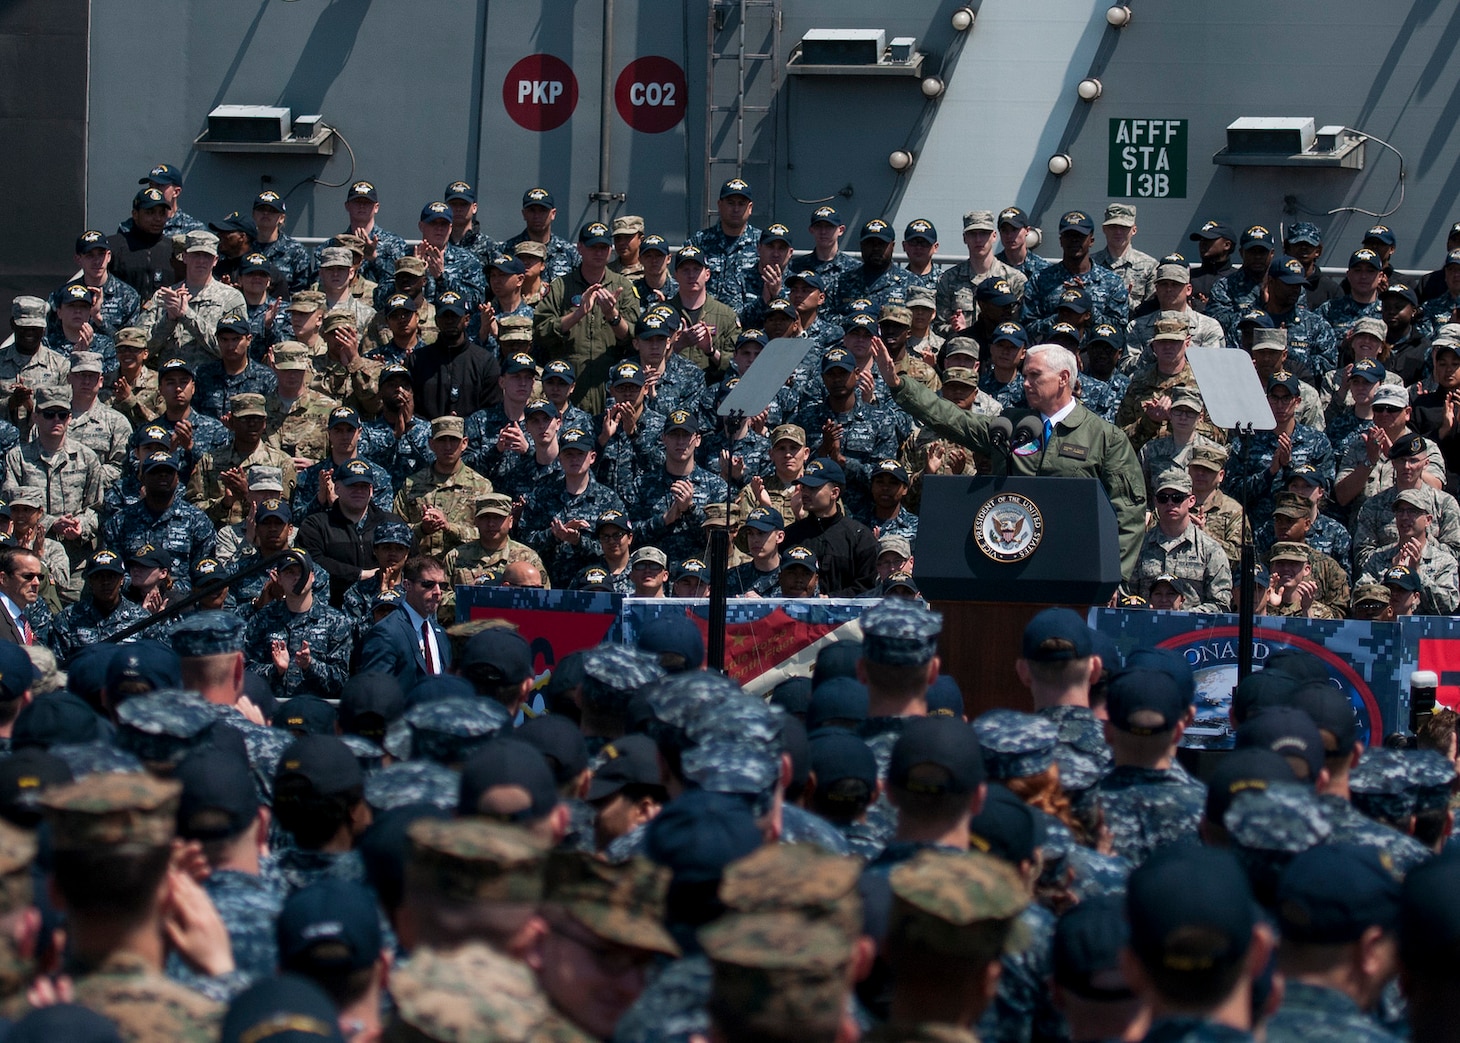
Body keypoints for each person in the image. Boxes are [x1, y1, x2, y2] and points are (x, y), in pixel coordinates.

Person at [877, 338, 1146, 579]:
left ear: (1063, 378)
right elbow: (951, 419)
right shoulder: (1009, 425)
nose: (1025, 383)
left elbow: (1127, 515)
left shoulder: (1104, 437)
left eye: (1034, 375)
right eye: (1025, 375)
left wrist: (1114, 579)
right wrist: (900, 384)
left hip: (1074, 568)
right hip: (1010, 564)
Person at [27, 772, 225, 1037]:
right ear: (171, 893)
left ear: (54, 892)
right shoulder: (216, 1026)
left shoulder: (22, 1023)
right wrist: (222, 974)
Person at [533, 221, 640, 412]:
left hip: (609, 387)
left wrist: (613, 316)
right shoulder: (560, 287)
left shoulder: (623, 287)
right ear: (580, 248)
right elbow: (541, 331)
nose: (599, 253)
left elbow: (635, 338)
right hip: (568, 386)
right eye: (593, 247)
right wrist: (578, 314)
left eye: (603, 247)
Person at [242, 547, 352, 698]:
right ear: (278, 579)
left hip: (315, 712)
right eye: (289, 573)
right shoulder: (262, 619)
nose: (296, 578)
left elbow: (342, 680)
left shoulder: (336, 622)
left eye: (301, 572)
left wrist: (310, 665)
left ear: (312, 576)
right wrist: (276, 670)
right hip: (274, 713)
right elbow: (246, 673)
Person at [139, 229, 246, 367]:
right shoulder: (163, 297)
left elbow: (233, 352)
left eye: (207, 256)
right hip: (170, 382)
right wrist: (169, 319)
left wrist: (186, 315)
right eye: (196, 255)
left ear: (215, 260)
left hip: (212, 383)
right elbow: (141, 350)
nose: (201, 261)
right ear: (184, 257)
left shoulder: (231, 298)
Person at [1131, 469, 1233, 611]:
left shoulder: (1210, 550)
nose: (1170, 503)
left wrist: (1183, 618)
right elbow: (1127, 597)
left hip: (1194, 630)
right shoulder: (1138, 548)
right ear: (1155, 501)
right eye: (1163, 498)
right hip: (1146, 628)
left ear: (1191, 501)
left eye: (1177, 497)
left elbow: (1221, 603)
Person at [782, 458, 878, 596]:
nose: (806, 493)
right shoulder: (791, 535)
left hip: (847, 617)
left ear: (834, 493)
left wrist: (831, 601)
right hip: (796, 616)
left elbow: (868, 587)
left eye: (813, 488)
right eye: (804, 487)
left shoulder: (860, 536)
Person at [360, 554, 452, 690]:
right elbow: (376, 692)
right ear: (407, 585)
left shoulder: (440, 633)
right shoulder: (386, 633)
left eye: (442, 585)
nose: (438, 592)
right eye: (428, 584)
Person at [1091, 202, 1158, 305]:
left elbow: (1150, 309)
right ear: (1104, 229)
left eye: (1124, 227)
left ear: (1134, 230)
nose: (1118, 232)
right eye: (1113, 227)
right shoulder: (1090, 264)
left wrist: (1125, 300)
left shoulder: (1149, 266)